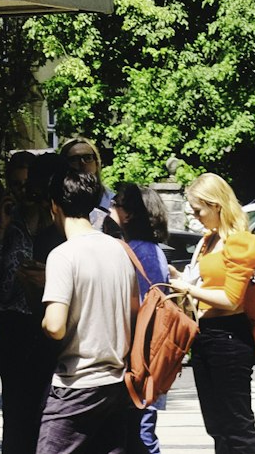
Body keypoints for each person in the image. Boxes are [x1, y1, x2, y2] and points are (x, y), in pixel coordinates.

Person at [37, 167, 138, 454]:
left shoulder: (62, 255)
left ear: (54, 205)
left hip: (75, 384)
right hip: (116, 384)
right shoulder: (120, 250)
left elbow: (55, 327)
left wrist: (44, 319)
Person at [169, 173, 255, 454]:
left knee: (236, 425)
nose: (195, 216)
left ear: (216, 205)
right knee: (217, 425)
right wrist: (180, 279)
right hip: (205, 336)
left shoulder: (240, 241)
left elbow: (231, 299)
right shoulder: (208, 241)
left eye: (198, 210)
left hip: (230, 337)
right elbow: (204, 284)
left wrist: (187, 288)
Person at [0, 153, 58, 454]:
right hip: (12, 322)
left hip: (45, 322)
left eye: (28, 185)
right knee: (14, 409)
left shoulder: (54, 221)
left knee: (45, 407)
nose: (23, 192)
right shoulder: (10, 225)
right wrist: (1, 225)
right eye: (16, 185)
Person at [110, 185, 170, 454]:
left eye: (117, 204)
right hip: (145, 357)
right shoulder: (149, 249)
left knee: (140, 434)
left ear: (130, 214)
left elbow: (147, 306)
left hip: (140, 359)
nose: (111, 209)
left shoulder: (139, 251)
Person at [58, 140, 116, 234]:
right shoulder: (57, 205)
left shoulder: (112, 203)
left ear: (97, 163)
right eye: (74, 159)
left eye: (88, 158)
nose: (82, 163)